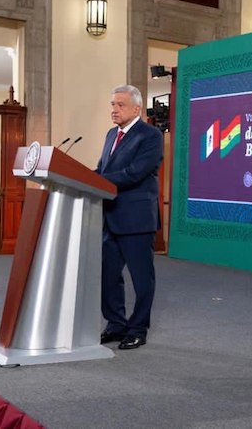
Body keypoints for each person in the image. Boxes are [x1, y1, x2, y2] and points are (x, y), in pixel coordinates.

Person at [95, 84, 163, 350]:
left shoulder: (150, 136)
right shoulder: (111, 135)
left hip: (136, 219)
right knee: (109, 276)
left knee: (141, 278)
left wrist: (97, 178)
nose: (114, 109)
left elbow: (136, 172)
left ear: (136, 108)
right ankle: (116, 324)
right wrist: (83, 176)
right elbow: (103, 169)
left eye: (120, 105)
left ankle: (138, 329)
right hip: (110, 217)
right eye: (112, 104)